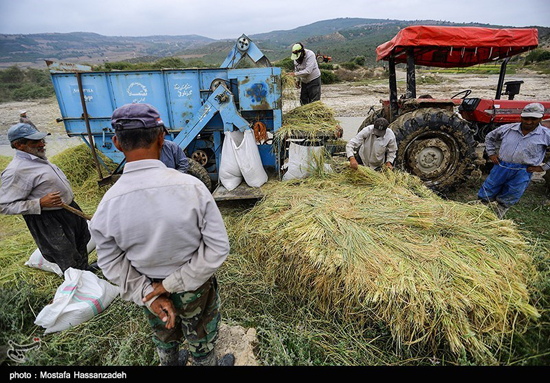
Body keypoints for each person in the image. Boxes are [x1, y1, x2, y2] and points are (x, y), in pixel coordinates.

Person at [89, 103, 233, 366]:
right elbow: (217, 248)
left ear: (117, 144)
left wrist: (150, 292)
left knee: (164, 335)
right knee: (201, 338)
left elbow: (111, 263)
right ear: (162, 137)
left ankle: (170, 361)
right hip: (195, 286)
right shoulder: (193, 189)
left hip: (149, 291)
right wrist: (171, 284)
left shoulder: (107, 206)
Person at [0, 123, 94, 273]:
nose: (42, 144)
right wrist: (40, 203)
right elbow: (4, 205)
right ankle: (77, 284)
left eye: (42, 139)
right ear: (19, 145)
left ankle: (85, 272)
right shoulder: (16, 170)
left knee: (81, 242)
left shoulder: (38, 158)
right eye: (35, 142)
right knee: (66, 255)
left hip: (69, 210)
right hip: (49, 219)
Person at [478, 102, 550, 218]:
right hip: (502, 166)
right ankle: (478, 210)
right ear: (521, 117)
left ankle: (496, 216)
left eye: (533, 119)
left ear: (541, 118)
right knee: (488, 189)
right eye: (526, 118)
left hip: (523, 171)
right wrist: (491, 154)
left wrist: (544, 167)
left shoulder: (546, 135)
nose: (528, 122)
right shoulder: (508, 129)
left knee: (511, 193)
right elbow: (489, 137)